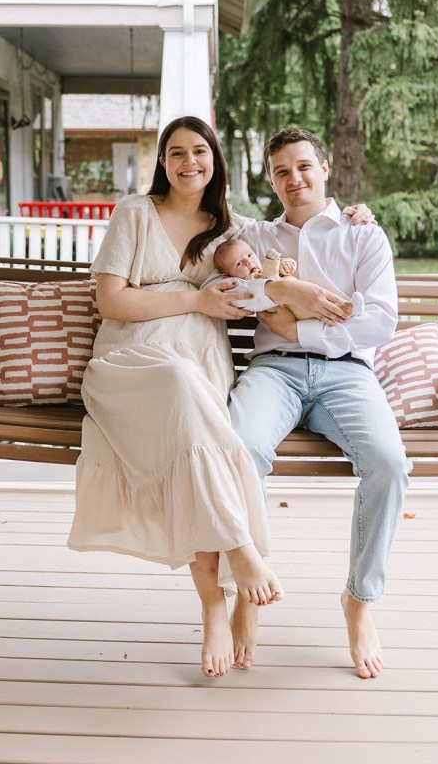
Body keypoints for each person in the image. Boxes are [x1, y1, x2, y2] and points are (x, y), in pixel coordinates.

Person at [67, 116, 355, 679]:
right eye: (176, 153)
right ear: (163, 163)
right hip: (132, 366)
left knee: (200, 443)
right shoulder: (134, 214)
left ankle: (214, 609)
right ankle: (240, 551)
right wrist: (196, 303)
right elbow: (111, 302)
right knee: (182, 392)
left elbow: (287, 235)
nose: (188, 162)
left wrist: (352, 213)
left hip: (199, 372)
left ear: (215, 160)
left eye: (199, 151)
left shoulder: (228, 226)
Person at [228, 126, 410, 679]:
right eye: (281, 171)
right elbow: (237, 291)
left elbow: (378, 319)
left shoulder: (362, 235)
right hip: (273, 371)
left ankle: (359, 599)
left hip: (347, 376)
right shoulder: (256, 236)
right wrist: (289, 293)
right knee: (238, 446)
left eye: (303, 166)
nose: (294, 179)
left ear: (325, 167)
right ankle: (245, 585)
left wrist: (296, 326)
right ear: (271, 180)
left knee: (389, 464)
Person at [208, 237, 365, 320]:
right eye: (239, 263)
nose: (249, 262)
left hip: (301, 298)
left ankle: (348, 306)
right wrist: (272, 263)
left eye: (249, 255)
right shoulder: (246, 283)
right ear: (228, 275)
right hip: (294, 308)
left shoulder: (261, 267)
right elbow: (269, 282)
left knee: (323, 298)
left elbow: (280, 270)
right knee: (324, 308)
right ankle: (347, 311)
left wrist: (288, 264)